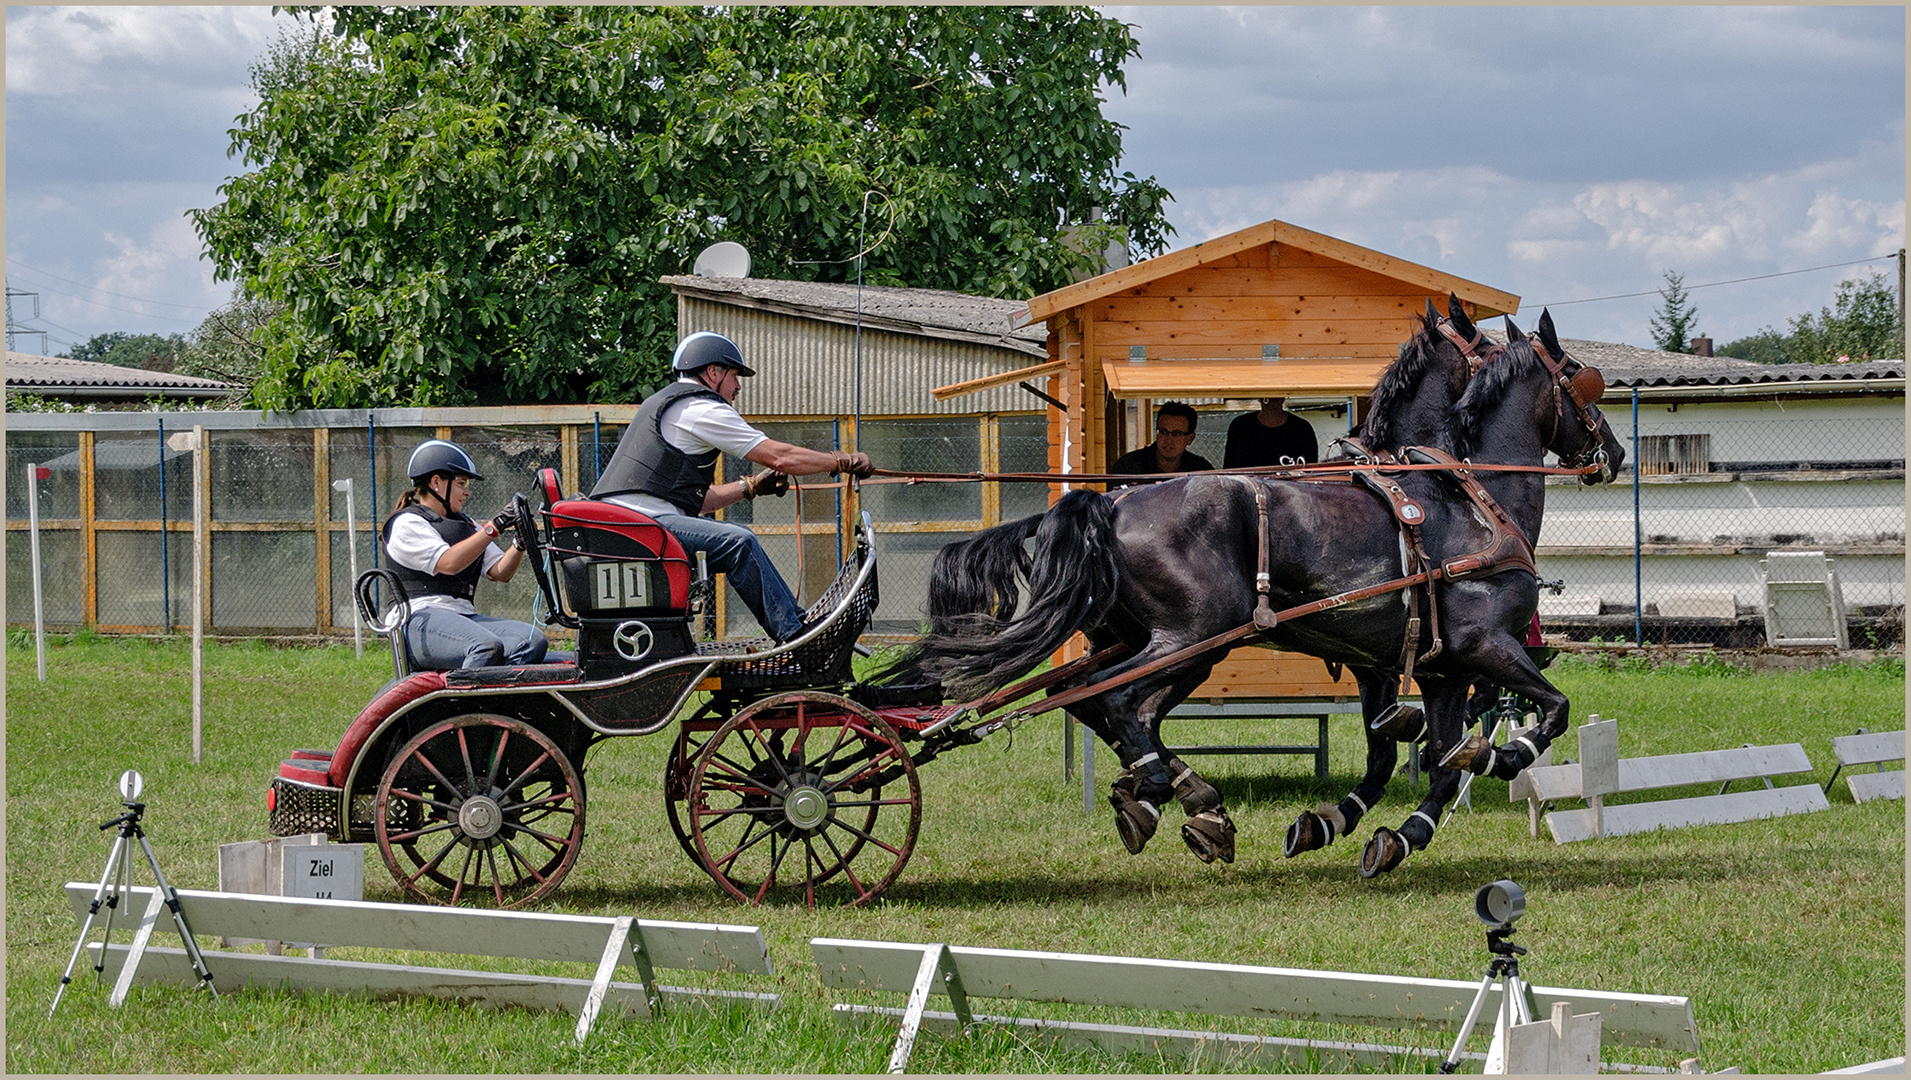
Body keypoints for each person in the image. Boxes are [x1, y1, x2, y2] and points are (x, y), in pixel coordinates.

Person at [590, 331, 875, 643]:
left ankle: (793, 629)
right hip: (645, 525)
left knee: (732, 539)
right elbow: (780, 457)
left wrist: (750, 486)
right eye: (735, 375)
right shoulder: (700, 408)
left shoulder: (668, 405)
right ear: (713, 372)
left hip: (632, 526)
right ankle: (797, 637)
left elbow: (700, 502)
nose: (737, 386)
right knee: (739, 542)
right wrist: (841, 460)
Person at [382, 439, 549, 670]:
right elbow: (449, 563)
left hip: (462, 618)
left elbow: (500, 571)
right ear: (436, 482)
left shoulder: (466, 524)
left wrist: (519, 542)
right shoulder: (407, 523)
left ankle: (499, 704)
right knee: (483, 645)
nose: (467, 492)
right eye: (462, 483)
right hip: (416, 621)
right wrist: (495, 527)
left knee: (532, 640)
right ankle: (459, 705)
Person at [1107, 401, 1214, 487]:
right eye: (1164, 432)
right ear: (1157, 433)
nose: (1168, 439)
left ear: (1190, 439)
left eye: (1176, 434)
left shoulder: (1201, 469)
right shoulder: (1129, 467)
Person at [1222, 396, 1318, 469]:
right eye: (1266, 398)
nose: (1271, 402)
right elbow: (1230, 466)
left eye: (1275, 397)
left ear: (1283, 398)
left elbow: (1310, 467)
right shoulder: (1241, 426)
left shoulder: (1301, 427)